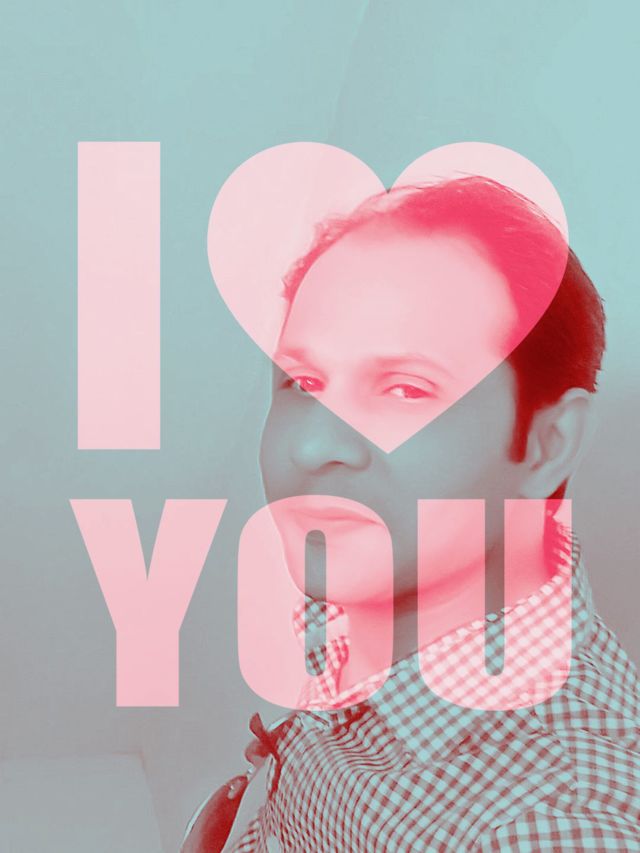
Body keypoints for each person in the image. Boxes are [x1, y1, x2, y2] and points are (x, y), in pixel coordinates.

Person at [183, 177, 640, 851]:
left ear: (547, 442)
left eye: (405, 387)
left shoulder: (552, 818)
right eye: (303, 381)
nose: (309, 447)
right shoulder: (392, 556)